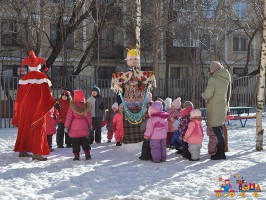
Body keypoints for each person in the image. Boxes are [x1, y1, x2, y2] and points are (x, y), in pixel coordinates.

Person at [12, 50, 56, 161]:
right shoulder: (42, 77)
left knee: (25, 128)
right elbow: (46, 94)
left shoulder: (24, 79)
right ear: (39, 66)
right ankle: (37, 153)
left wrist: (19, 110)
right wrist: (52, 104)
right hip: (38, 108)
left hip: (25, 109)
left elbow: (19, 97)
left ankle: (23, 150)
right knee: (38, 129)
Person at [202, 61, 231, 160]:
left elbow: (208, 94)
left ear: (213, 69)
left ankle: (220, 153)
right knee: (219, 130)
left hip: (214, 108)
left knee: (217, 131)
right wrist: (228, 108)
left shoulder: (213, 79)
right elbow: (228, 96)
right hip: (222, 107)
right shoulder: (226, 79)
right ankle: (221, 152)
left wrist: (203, 95)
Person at [64, 90, 92, 161]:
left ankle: (76, 156)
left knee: (75, 143)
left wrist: (66, 126)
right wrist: (90, 125)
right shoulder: (85, 106)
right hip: (84, 126)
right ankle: (87, 154)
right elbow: (89, 118)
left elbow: (69, 118)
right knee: (85, 142)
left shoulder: (72, 107)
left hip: (74, 127)